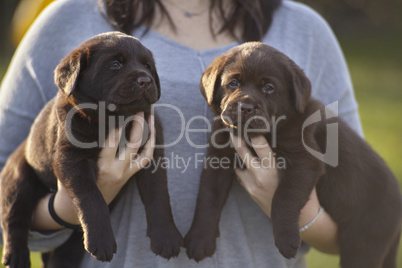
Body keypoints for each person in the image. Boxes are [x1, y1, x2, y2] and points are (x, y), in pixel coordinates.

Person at [0, 0, 363, 267]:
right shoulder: (68, 17)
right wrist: (66, 207)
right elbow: (8, 178)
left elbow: (358, 214)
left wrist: (295, 209)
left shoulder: (305, 31)